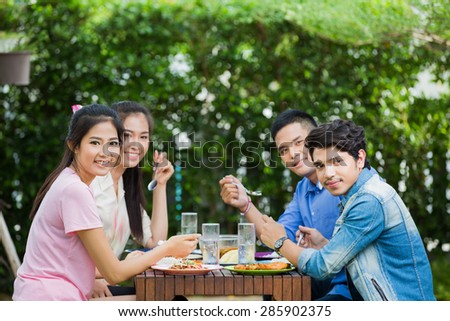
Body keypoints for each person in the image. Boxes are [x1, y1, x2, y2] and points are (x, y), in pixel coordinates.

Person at [13, 104, 199, 301]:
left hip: (62, 295)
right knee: (173, 303)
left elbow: (150, 242)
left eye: (112, 143)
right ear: (74, 145)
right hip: (51, 302)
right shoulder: (77, 190)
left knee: (171, 300)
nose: (105, 151)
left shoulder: (78, 182)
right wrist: (168, 248)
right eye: (95, 142)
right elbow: (115, 273)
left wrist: (159, 185)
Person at [260, 119, 436, 301]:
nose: (328, 173)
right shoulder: (354, 195)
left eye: (336, 161)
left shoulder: (370, 200)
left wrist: (280, 242)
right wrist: (324, 245)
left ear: (360, 159)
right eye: (320, 165)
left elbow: (322, 267)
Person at [219, 109, 351, 301]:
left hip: (348, 291)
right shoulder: (302, 189)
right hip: (310, 284)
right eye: (283, 150)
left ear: (316, 139)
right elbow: (277, 237)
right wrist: (245, 204)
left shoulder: (345, 180)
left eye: (299, 143)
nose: (293, 154)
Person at [90, 101, 174, 298]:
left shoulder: (124, 188)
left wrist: (160, 185)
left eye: (143, 137)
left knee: (174, 300)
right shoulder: (92, 184)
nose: (136, 144)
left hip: (103, 286)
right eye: (127, 135)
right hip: (76, 291)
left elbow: (155, 241)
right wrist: (93, 278)